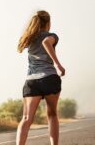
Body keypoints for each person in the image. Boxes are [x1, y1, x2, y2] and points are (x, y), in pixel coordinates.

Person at [16, 11, 65, 145]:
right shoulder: (51, 36)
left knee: (26, 118)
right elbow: (46, 42)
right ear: (48, 23)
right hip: (49, 78)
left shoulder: (29, 38)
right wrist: (58, 64)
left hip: (32, 81)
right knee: (52, 115)